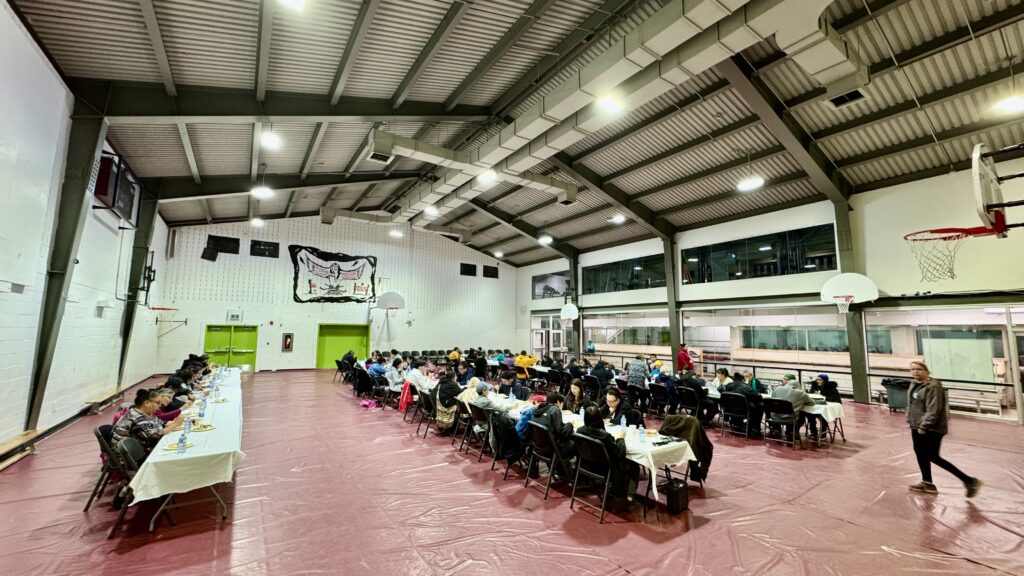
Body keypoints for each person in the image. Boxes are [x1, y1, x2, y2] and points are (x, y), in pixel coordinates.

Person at [906, 361, 982, 497]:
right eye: (912, 369)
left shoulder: (933, 387)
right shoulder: (914, 385)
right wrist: (911, 420)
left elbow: (934, 409)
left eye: (919, 369)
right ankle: (927, 482)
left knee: (932, 456)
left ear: (926, 371)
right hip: (916, 425)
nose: (915, 372)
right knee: (920, 454)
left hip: (930, 428)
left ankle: (969, 480)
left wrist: (925, 426)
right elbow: (912, 404)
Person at [576, 406, 640, 502]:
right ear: (599, 419)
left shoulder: (580, 431)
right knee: (634, 465)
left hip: (587, 464)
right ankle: (629, 496)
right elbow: (619, 453)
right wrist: (621, 439)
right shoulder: (604, 436)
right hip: (605, 468)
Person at [112, 389, 184, 454]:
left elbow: (163, 423)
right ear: (146, 403)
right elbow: (155, 437)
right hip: (130, 457)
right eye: (157, 403)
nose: (160, 405)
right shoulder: (138, 418)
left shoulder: (145, 413)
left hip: (138, 450)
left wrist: (181, 421)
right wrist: (175, 424)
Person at [530, 392, 577, 477]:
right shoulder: (555, 409)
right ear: (558, 402)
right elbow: (560, 433)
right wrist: (569, 425)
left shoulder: (538, 408)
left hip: (537, 447)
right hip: (551, 449)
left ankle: (564, 471)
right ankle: (571, 475)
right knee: (576, 443)